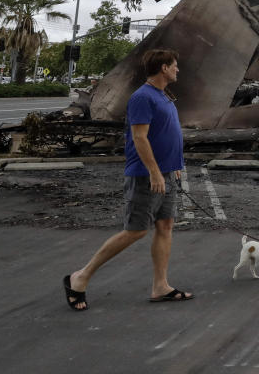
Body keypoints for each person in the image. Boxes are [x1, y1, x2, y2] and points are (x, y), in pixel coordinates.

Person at [64, 48, 193, 310]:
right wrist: (155, 171)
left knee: (165, 225)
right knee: (135, 230)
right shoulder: (143, 97)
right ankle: (80, 277)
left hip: (166, 172)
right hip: (146, 175)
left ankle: (160, 286)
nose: (178, 69)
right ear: (164, 68)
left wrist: (174, 165)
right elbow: (139, 137)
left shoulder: (163, 95)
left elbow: (166, 133)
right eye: (175, 65)